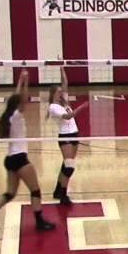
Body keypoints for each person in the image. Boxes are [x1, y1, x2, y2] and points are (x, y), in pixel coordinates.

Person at [0, 71, 56, 233]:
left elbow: (17, 97)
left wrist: (20, 81)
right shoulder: (17, 115)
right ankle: (40, 222)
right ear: (18, 105)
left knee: (10, 193)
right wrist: (26, 82)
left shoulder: (7, 115)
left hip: (10, 159)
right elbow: (23, 97)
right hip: (20, 159)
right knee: (35, 190)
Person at [48, 70, 85, 206]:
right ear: (53, 94)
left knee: (66, 165)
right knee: (69, 167)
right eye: (58, 92)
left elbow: (65, 82)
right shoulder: (53, 107)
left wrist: (62, 67)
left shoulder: (63, 103)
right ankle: (63, 195)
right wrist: (82, 107)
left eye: (61, 91)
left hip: (74, 134)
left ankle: (58, 191)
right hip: (66, 136)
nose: (61, 93)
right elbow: (69, 116)